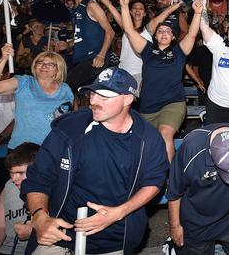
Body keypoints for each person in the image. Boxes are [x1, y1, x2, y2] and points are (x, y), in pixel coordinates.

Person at [21, 67, 169, 255]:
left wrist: (118, 213)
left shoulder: (147, 138)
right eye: (93, 94)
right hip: (60, 236)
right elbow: (38, 177)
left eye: (104, 96)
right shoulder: (70, 128)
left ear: (127, 99)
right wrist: (40, 217)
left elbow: (155, 181)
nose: (93, 101)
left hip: (115, 240)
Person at [120, 0, 201, 162]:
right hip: (148, 107)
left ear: (173, 37)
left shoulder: (179, 51)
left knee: (165, 134)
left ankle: (170, 182)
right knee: (145, 143)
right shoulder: (147, 50)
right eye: (160, 31)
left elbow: (193, 33)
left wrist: (198, 12)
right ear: (155, 36)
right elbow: (129, 30)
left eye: (168, 32)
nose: (164, 33)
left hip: (173, 103)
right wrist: (125, 6)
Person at [166, 123, 229, 254]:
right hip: (197, 222)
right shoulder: (191, 148)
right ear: (210, 153)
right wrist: (174, 225)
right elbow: (174, 192)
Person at [0, 45, 73, 149]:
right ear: (35, 66)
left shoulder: (65, 89)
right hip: (22, 148)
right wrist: (4, 59)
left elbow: (69, 120)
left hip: (53, 148)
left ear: (58, 70)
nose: (44, 66)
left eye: (50, 64)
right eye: (40, 63)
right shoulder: (24, 82)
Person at [0, 143, 39, 255]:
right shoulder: (9, 186)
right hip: (6, 250)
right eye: (11, 173)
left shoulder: (50, 190)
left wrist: (34, 233)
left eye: (20, 173)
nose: (14, 178)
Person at [65, 0, 115, 94]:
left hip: (94, 59)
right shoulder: (76, 8)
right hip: (81, 58)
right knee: (83, 96)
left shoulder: (91, 5)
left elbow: (110, 32)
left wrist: (101, 55)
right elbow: (82, 36)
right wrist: (68, 44)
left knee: (65, 87)